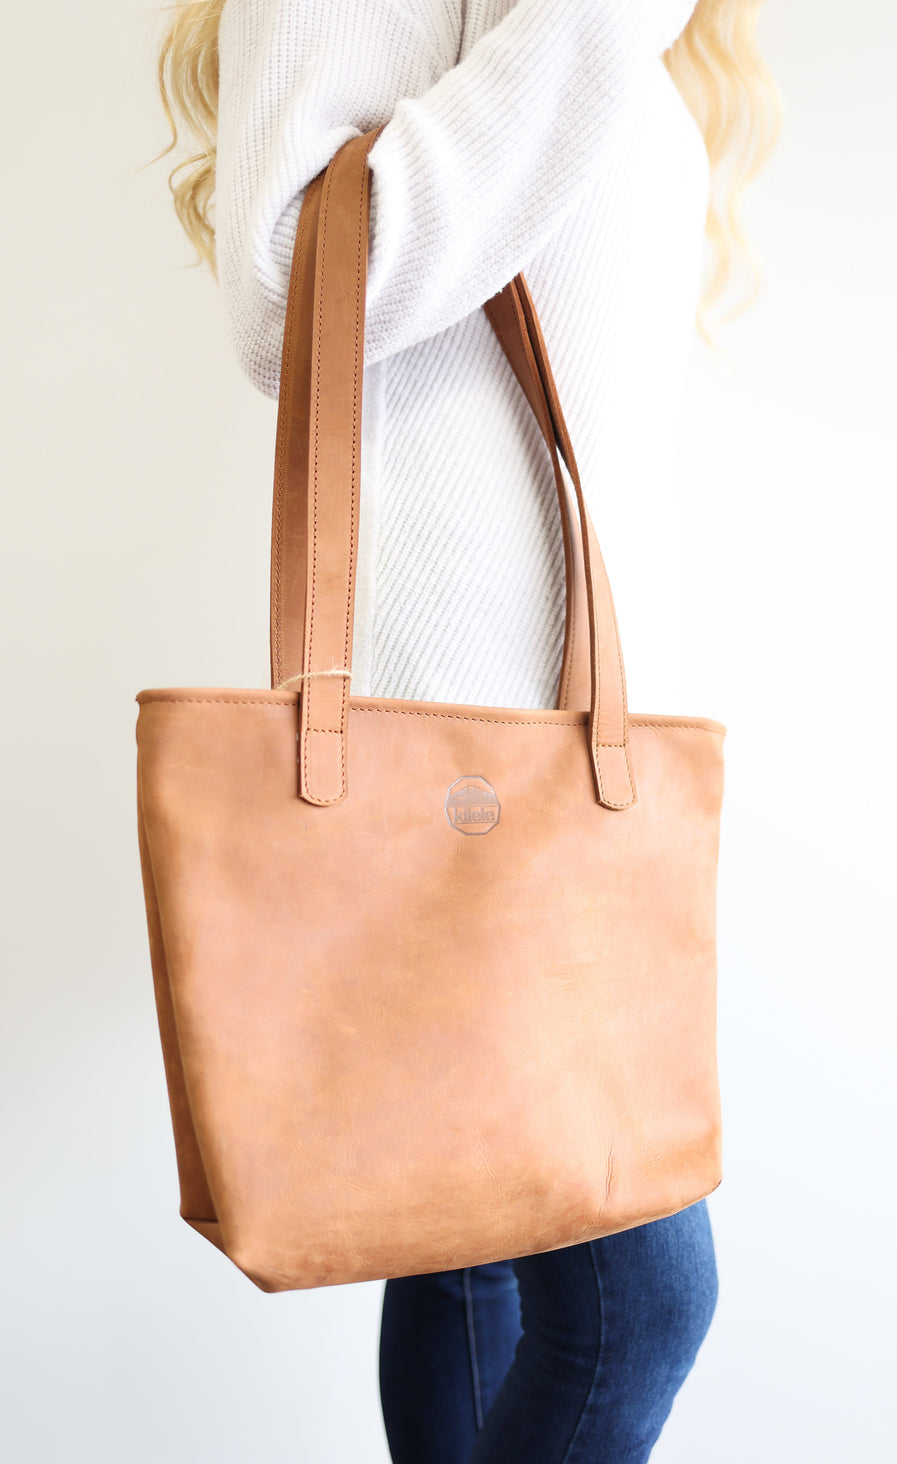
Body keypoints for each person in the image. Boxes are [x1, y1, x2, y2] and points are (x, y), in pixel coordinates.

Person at [155, 2, 779, 1458]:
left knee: (474, 1245)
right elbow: (287, 288)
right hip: (462, 742)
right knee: (637, 1302)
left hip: (577, 738)